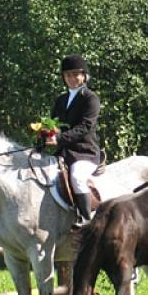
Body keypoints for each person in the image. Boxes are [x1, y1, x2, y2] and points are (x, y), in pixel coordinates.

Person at [44, 54, 102, 226]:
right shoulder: (61, 100)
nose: (72, 78)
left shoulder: (90, 98)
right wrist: (43, 138)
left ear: (84, 76)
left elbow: (85, 126)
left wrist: (60, 138)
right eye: (68, 75)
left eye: (76, 74)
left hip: (85, 152)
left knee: (77, 177)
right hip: (64, 152)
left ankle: (87, 221)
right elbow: (52, 123)